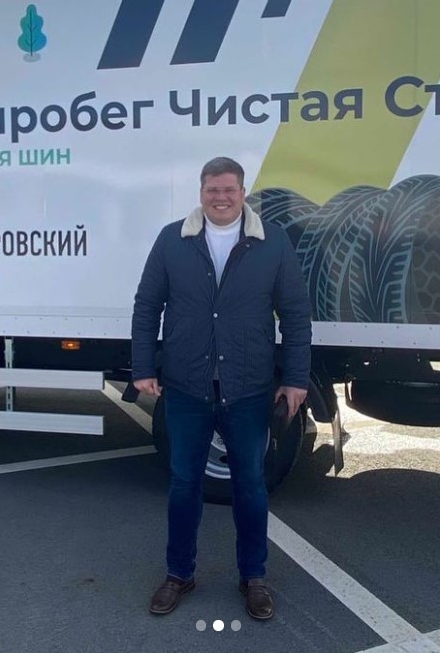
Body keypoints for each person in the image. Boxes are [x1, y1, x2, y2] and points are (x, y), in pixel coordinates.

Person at [130, 156, 312, 621]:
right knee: (183, 485)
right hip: (186, 387)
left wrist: (295, 378)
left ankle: (254, 578)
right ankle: (178, 574)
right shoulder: (173, 240)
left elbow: (295, 313)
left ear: (242, 192)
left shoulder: (272, 242)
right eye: (213, 189)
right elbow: (147, 305)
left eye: (229, 189)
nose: (221, 197)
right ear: (201, 192)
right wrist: (143, 366)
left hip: (248, 389)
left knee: (250, 486)